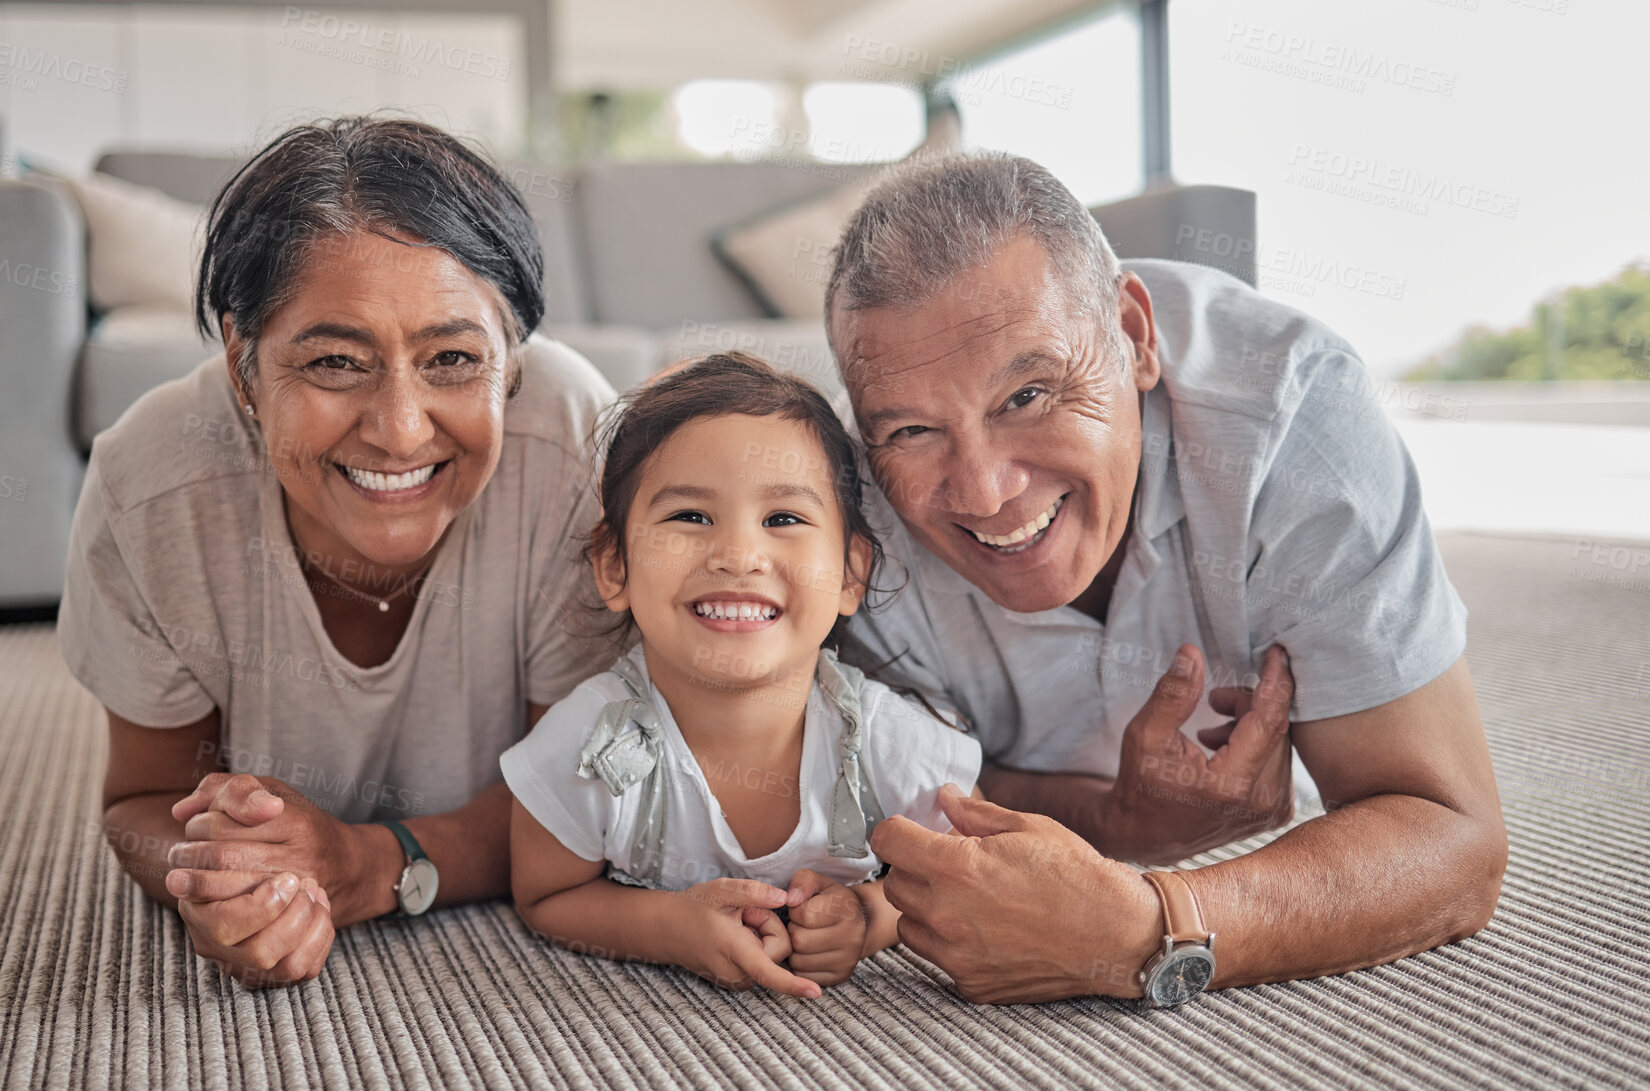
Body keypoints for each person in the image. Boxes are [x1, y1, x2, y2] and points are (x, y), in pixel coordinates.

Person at [826, 153, 1508, 1005]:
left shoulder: (1297, 425)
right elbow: (885, 787)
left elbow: (1452, 836)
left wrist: (1153, 924)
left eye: (1028, 394)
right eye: (915, 431)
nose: (986, 491)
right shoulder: (845, 513)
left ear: (1134, 336)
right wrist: (1120, 824)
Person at [59, 117, 617, 989]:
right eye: (333, 362)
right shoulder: (152, 487)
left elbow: (585, 793)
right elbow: (140, 801)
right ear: (244, 368)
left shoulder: (575, 456)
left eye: (453, 359)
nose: (399, 430)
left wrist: (368, 864)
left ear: (511, 365)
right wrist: (229, 878)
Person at [503, 354, 982, 998]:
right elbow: (547, 895)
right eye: (690, 517)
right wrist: (671, 929)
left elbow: (967, 877)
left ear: (849, 573)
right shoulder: (592, 747)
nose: (737, 555)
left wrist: (869, 918)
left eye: (783, 519)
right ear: (614, 566)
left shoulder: (888, 743)